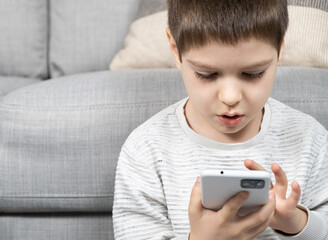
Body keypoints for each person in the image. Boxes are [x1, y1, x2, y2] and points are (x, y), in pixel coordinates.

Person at [112, 0, 328, 239]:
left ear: (280, 49)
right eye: (207, 74)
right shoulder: (146, 148)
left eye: (253, 73)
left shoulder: (310, 139)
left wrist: (297, 222)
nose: (230, 97)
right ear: (175, 50)